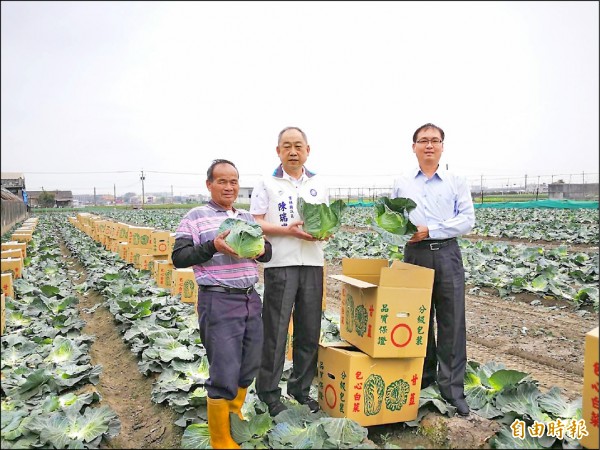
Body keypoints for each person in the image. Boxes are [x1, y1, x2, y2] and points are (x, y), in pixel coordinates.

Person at [171, 159, 272, 449]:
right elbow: (179, 257)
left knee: (250, 363)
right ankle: (219, 439)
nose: (229, 187)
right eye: (222, 181)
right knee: (224, 369)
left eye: (234, 181)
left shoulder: (246, 218)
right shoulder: (195, 216)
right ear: (209, 185)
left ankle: (233, 415)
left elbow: (266, 254)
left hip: (250, 298)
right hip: (218, 298)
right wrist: (213, 246)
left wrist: (259, 248)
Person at [391, 123, 475, 417]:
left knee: (452, 322)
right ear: (413, 147)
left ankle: (453, 390)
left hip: (447, 253)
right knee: (418, 321)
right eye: (423, 141)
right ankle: (423, 381)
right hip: (414, 255)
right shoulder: (402, 182)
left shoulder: (455, 180)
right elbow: (392, 219)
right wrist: (402, 233)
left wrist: (431, 230)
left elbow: (467, 219)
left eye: (434, 141)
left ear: (442, 146)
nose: (429, 145)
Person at [250, 126, 328, 417]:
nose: (293, 151)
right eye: (287, 146)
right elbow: (256, 221)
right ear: (278, 151)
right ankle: (269, 392)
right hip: (280, 263)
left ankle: (300, 389)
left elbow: (326, 219)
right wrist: (287, 231)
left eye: (298, 146)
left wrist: (325, 232)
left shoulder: (320, 184)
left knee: (309, 330)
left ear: (308, 149)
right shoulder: (267, 184)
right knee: (276, 330)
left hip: (312, 262)